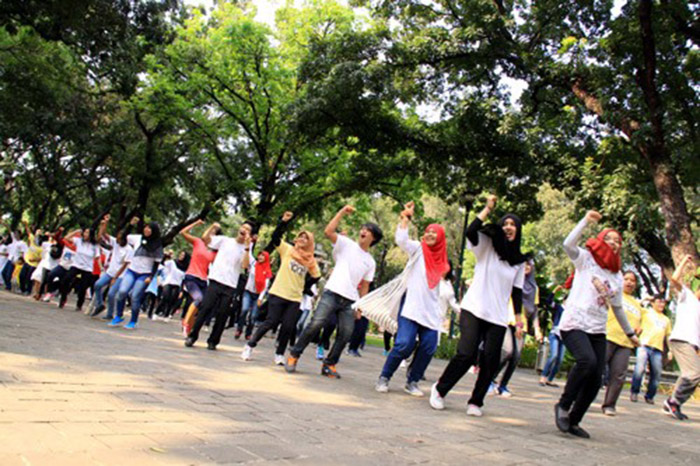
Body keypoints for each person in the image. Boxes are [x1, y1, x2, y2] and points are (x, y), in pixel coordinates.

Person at [429, 195, 529, 417]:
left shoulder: (519, 261)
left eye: (513, 224)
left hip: (497, 316)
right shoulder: (487, 247)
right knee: (466, 354)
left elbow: (517, 291)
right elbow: (471, 231)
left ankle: (476, 401)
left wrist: (520, 320)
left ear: (518, 230)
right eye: (505, 224)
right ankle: (440, 389)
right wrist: (487, 209)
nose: (509, 227)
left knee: (490, 361)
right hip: (474, 308)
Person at [553, 210, 639, 439]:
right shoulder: (585, 260)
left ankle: (574, 420)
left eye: (618, 241)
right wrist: (585, 221)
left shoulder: (618, 276)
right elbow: (568, 243)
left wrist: (630, 333)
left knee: (596, 377)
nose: (614, 243)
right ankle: (563, 405)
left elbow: (617, 307)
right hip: (575, 323)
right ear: (600, 240)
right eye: (609, 239)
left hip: (598, 328)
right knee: (587, 361)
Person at [285, 206, 381, 378]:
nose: (363, 231)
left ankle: (329, 365)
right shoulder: (346, 244)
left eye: (368, 231)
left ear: (373, 238)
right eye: (363, 228)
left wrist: (361, 307)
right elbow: (328, 231)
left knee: (345, 333)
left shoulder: (370, 262)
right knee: (315, 324)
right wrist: (342, 212)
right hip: (332, 293)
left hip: (350, 301)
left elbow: (365, 286)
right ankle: (294, 354)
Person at [372, 201, 449, 395]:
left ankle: (412, 381)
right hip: (411, 306)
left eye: (435, 232)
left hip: (430, 310)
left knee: (429, 347)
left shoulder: (444, 262)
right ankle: (384, 377)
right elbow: (402, 240)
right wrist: (405, 218)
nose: (430, 234)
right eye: (428, 231)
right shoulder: (418, 249)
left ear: (441, 238)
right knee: (404, 344)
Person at [243, 212, 321, 364]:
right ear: (297, 239)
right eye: (301, 236)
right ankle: (249, 346)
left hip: (294, 297)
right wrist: (283, 222)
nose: (303, 239)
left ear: (310, 242)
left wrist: (306, 286)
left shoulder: (310, 260)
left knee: (288, 326)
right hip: (278, 292)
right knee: (271, 322)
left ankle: (279, 354)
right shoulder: (288, 250)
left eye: (307, 238)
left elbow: (317, 276)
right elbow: (276, 238)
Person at [185, 221, 252, 350]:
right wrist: (212, 227)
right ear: (239, 228)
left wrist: (248, 247)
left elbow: (244, 266)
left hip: (230, 286)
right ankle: (192, 336)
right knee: (205, 309)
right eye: (243, 227)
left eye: (248, 230)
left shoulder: (247, 249)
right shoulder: (225, 241)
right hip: (215, 281)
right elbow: (206, 239)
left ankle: (213, 341)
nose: (244, 230)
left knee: (222, 315)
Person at [600, 271, 644, 415]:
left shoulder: (637, 305)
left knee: (618, 375)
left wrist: (638, 330)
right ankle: (579, 397)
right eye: (626, 279)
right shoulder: (614, 294)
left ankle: (609, 405)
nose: (629, 282)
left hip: (626, 343)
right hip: (608, 336)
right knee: (595, 369)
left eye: (633, 280)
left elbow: (639, 324)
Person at [109, 217, 164, 329]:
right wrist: (130, 225)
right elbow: (124, 237)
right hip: (131, 271)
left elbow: (156, 264)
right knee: (122, 292)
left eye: (150, 228)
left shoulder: (157, 246)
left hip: (144, 274)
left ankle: (133, 321)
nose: (147, 230)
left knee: (135, 297)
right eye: (146, 227)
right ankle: (118, 316)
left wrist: (151, 276)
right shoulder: (137, 238)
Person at [663, 254, 699, 420]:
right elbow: (675, 279)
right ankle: (673, 401)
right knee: (694, 373)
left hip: (691, 343)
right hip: (681, 339)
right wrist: (684, 261)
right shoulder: (687, 296)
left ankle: (673, 402)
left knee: (689, 374)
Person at [630, 294, 672, 406]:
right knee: (640, 369)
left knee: (657, 373)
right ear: (653, 303)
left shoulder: (666, 319)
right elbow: (636, 307)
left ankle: (650, 396)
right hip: (644, 345)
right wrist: (645, 299)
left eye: (663, 302)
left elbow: (668, 336)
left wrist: (670, 350)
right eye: (658, 301)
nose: (661, 304)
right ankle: (634, 392)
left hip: (657, 348)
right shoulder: (647, 312)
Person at [179, 219, 219, 336]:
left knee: (203, 305)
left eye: (214, 233)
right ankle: (185, 323)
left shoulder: (215, 252)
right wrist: (196, 223)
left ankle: (190, 329)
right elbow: (183, 232)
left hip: (203, 281)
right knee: (198, 299)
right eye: (209, 231)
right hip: (191, 277)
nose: (210, 235)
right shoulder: (198, 242)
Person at [90, 217, 134, 317]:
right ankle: (100, 304)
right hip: (110, 272)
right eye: (117, 238)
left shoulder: (129, 249)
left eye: (119, 238)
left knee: (111, 294)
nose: (117, 240)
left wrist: (115, 278)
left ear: (124, 239)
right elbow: (103, 234)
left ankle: (110, 314)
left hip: (120, 275)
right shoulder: (116, 243)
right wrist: (105, 223)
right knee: (97, 285)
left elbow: (124, 265)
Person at [58, 222, 104, 312]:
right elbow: (66, 238)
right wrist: (76, 231)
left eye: (87, 233)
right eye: (84, 232)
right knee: (66, 279)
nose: (85, 234)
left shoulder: (94, 246)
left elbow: (97, 258)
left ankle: (79, 304)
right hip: (76, 265)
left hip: (87, 268)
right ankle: (63, 298)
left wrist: (101, 268)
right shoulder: (78, 241)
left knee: (82, 287)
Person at [235, 250, 273, 339]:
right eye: (259, 255)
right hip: (248, 292)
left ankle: (248, 333)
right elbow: (249, 253)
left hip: (257, 295)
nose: (260, 257)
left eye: (263, 256)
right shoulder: (253, 264)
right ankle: (239, 329)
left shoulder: (267, 271)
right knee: (244, 310)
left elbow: (265, 286)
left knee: (253, 315)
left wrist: (260, 298)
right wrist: (249, 243)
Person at [539, 288, 566, 387]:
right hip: (555, 333)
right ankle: (543, 377)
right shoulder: (559, 307)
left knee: (560, 359)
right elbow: (548, 302)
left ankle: (550, 379)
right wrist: (554, 291)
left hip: (564, 336)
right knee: (553, 355)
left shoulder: (572, 311)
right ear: (564, 300)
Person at [155, 251, 190, 320]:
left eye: (183, 255)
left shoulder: (186, 268)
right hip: (168, 282)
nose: (181, 256)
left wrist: (182, 290)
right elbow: (163, 263)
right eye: (180, 254)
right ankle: (157, 312)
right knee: (165, 297)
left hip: (177, 285)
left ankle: (167, 315)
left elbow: (184, 279)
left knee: (172, 300)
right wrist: (165, 256)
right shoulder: (173, 262)